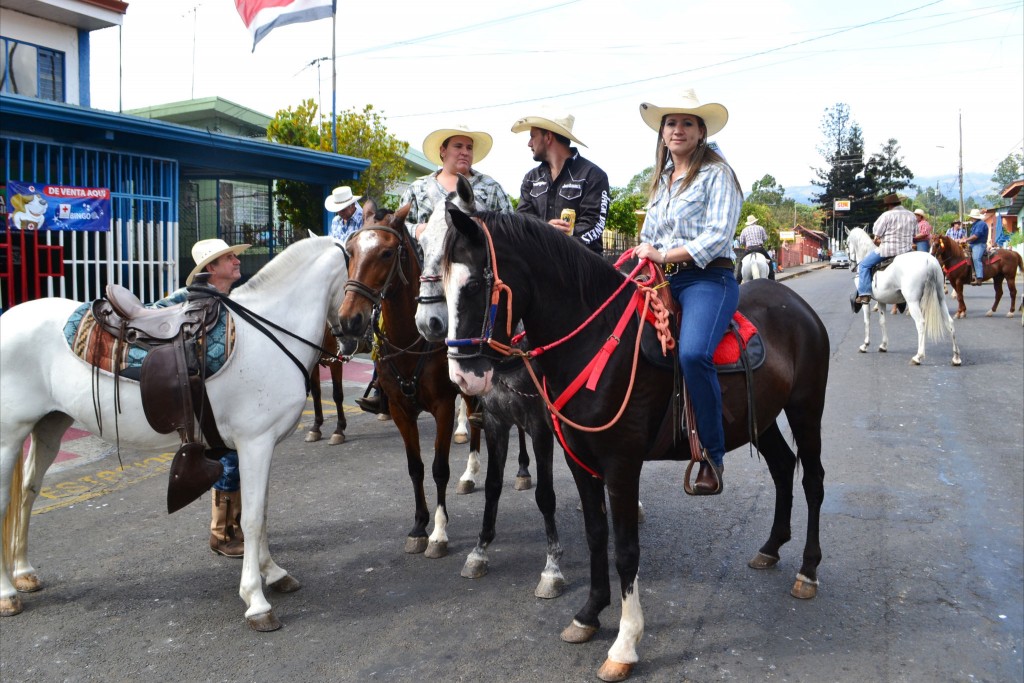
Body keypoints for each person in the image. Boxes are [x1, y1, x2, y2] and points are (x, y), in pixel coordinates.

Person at [633, 89, 742, 496]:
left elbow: (717, 237)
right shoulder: (662, 181)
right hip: (660, 278)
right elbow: (648, 235)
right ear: (662, 134)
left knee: (694, 353)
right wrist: (644, 256)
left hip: (706, 279)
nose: (677, 130)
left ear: (701, 133)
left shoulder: (718, 174)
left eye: (687, 123)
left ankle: (712, 455)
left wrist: (663, 253)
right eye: (671, 123)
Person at [154, 238, 251, 558]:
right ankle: (221, 533)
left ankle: (230, 527)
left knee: (233, 458)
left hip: (225, 401)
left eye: (235, 257)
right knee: (228, 457)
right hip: (205, 403)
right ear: (211, 268)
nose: (237, 261)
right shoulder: (187, 300)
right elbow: (154, 315)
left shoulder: (232, 298)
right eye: (229, 258)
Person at [511, 112, 610, 254]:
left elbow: (595, 225)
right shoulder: (531, 178)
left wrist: (555, 238)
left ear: (548, 137)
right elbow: (521, 224)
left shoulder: (593, 175)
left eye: (533, 136)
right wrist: (546, 231)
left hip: (583, 270)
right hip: (542, 268)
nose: (529, 143)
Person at [401, 124, 512, 242]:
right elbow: (398, 228)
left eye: (469, 148)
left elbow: (510, 229)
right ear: (443, 151)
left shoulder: (491, 188)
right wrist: (417, 229)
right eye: (458, 146)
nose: (465, 152)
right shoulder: (417, 189)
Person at [854, 194, 916, 304]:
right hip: (907, 251)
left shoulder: (886, 215)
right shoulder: (911, 215)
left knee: (864, 265)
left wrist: (878, 239)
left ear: (889, 205)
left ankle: (864, 295)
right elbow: (914, 234)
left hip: (888, 250)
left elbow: (876, 233)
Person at [734, 214, 775, 282]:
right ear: (755, 221)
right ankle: (772, 280)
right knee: (770, 262)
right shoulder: (760, 228)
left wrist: (747, 243)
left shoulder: (744, 230)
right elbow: (765, 238)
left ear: (748, 223)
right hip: (759, 248)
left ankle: (738, 281)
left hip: (749, 249)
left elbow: (741, 242)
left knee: (740, 263)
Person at [964, 208, 989, 285]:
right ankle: (970, 274)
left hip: (979, 244)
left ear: (974, 217)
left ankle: (979, 277)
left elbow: (975, 236)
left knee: (976, 258)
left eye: (972, 217)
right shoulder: (975, 224)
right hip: (972, 244)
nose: (971, 218)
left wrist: (966, 240)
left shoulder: (981, 224)